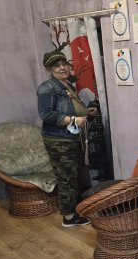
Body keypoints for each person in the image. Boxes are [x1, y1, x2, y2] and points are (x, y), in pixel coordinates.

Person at [37, 50, 97, 227]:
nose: (62, 67)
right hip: (59, 141)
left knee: (74, 175)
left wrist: (86, 113)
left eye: (64, 63)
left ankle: (75, 208)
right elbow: (46, 114)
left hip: (71, 138)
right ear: (49, 68)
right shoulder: (47, 88)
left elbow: (69, 108)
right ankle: (69, 217)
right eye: (56, 65)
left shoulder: (66, 84)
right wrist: (72, 119)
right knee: (66, 177)